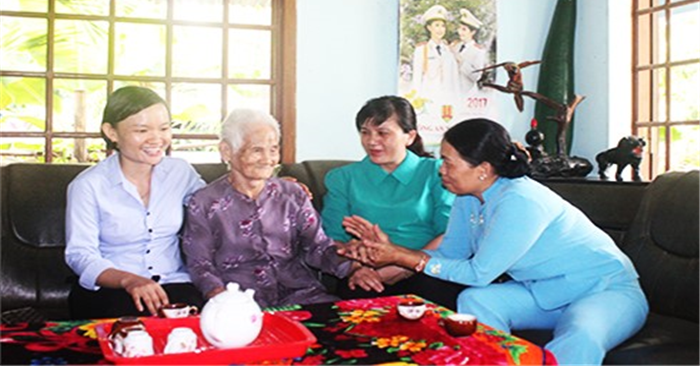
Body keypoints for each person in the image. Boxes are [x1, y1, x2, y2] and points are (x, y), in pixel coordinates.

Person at [340, 118, 649, 366]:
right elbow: (450, 254)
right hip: (544, 293)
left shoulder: (521, 200)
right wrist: (393, 252)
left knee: (581, 333)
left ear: (483, 169)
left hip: (604, 290)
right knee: (476, 300)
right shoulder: (468, 197)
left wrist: (401, 256)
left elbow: (479, 273)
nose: (441, 170)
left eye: (448, 162)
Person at [182, 109, 355, 308]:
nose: (267, 159)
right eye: (257, 150)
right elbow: (200, 264)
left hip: (301, 295)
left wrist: (354, 268)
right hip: (240, 301)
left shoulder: (293, 195)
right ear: (227, 151)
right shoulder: (204, 202)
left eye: (273, 149)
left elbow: (318, 247)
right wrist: (219, 297)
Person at [65, 86, 205, 319]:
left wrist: (260, 183)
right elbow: (80, 254)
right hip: (112, 289)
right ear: (111, 132)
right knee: (132, 329)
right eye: (142, 130)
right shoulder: (88, 185)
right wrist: (129, 280)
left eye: (164, 128)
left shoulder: (180, 172)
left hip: (174, 283)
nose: (157, 139)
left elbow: (215, 208)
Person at [322, 96, 466, 309]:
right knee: (358, 297)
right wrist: (356, 268)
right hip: (367, 272)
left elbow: (449, 234)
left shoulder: (436, 173)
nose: (371, 141)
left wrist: (403, 265)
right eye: (365, 132)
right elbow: (330, 239)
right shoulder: (343, 178)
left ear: (410, 136)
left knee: (436, 295)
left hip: (424, 267)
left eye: (383, 133)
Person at [411, 4, 459, 119]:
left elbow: (455, 78)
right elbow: (417, 79)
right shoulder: (422, 50)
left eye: (443, 26)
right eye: (436, 25)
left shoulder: (449, 51)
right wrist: (416, 104)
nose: (440, 29)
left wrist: (457, 102)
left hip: (447, 102)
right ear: (429, 28)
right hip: (428, 100)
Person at [450, 8, 487, 99]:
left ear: (473, 32)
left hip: (469, 95)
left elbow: (477, 77)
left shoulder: (478, 51)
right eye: (459, 28)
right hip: (453, 93)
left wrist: (462, 62)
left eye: (464, 29)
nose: (460, 32)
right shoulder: (455, 46)